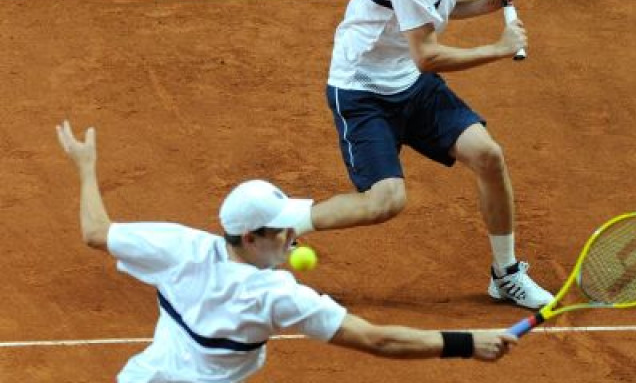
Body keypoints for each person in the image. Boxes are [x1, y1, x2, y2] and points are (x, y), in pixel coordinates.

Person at [56, 121, 517, 383]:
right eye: (283, 231)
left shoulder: (182, 246)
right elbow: (378, 340)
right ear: (252, 238)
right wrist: (467, 344)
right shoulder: (276, 296)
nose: (294, 237)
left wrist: (86, 167)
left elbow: (96, 232)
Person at [290, 0, 554, 309]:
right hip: (363, 91)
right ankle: (282, 221)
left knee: (488, 155)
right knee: (385, 201)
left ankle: (506, 274)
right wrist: (499, 48)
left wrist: (484, 4)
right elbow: (427, 56)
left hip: (410, 83)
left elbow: (436, 11)